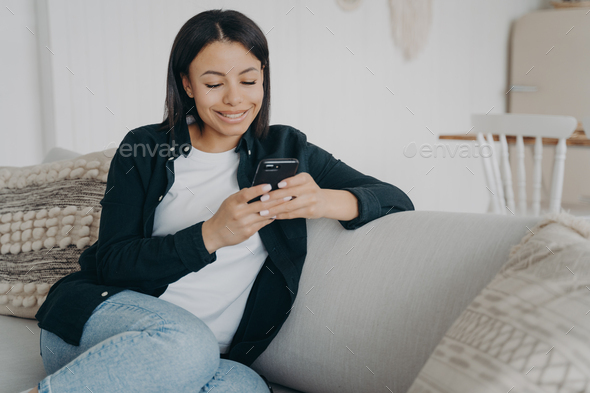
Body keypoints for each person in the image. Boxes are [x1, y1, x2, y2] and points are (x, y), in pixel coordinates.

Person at [26, 8, 414, 393]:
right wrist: (211, 235)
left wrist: (323, 202)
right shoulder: (144, 148)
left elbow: (396, 200)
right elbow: (112, 263)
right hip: (100, 329)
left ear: (264, 77)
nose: (235, 100)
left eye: (249, 80)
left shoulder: (287, 148)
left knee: (244, 387)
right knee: (187, 345)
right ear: (188, 85)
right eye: (214, 84)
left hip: (207, 360)